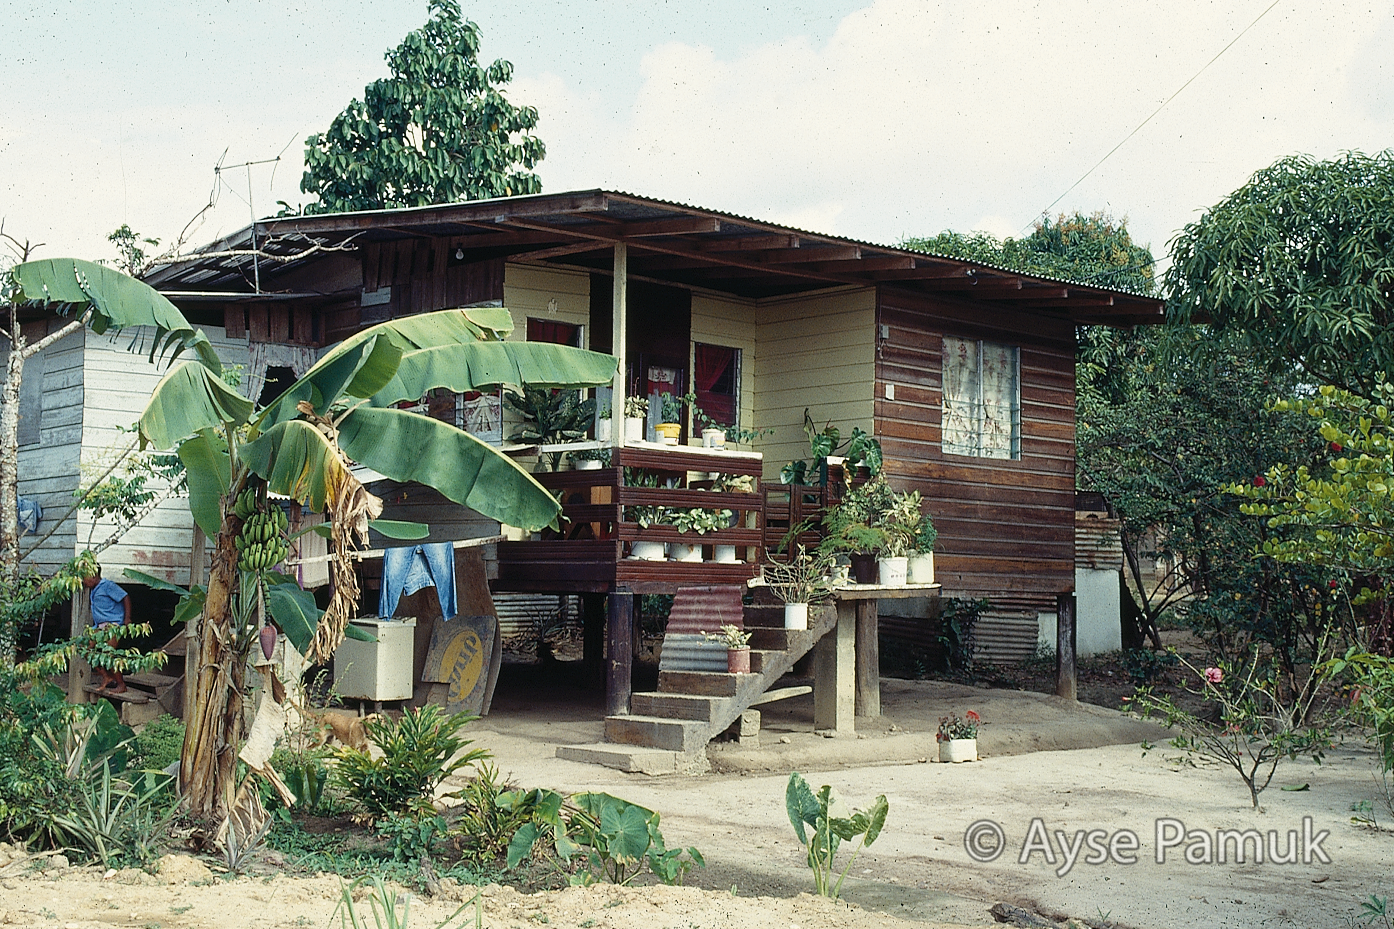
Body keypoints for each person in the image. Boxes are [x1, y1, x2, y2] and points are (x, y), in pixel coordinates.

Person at [82, 565, 131, 693]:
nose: (83, 581)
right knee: (86, 650)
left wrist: (127, 619)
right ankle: (107, 677)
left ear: (93, 576)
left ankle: (121, 684)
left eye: (84, 577)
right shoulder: (94, 589)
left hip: (112, 625)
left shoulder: (108, 585)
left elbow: (125, 597)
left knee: (108, 655)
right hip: (99, 627)